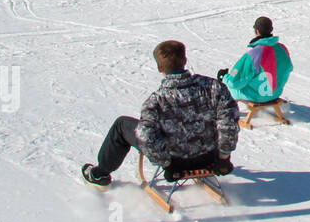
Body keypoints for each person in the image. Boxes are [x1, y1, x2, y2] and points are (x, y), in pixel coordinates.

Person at [81, 40, 239, 187]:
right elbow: (229, 123)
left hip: (177, 162)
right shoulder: (213, 87)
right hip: (210, 157)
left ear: (159, 68)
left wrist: (168, 164)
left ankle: (100, 174)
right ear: (185, 60)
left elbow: (146, 136)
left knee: (122, 124)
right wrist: (223, 156)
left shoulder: (156, 102)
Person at [220, 16, 293, 103]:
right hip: (275, 93)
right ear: (271, 29)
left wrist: (224, 77)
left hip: (256, 96)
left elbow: (234, 82)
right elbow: (288, 68)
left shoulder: (253, 55)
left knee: (229, 87)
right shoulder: (282, 49)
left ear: (256, 31)